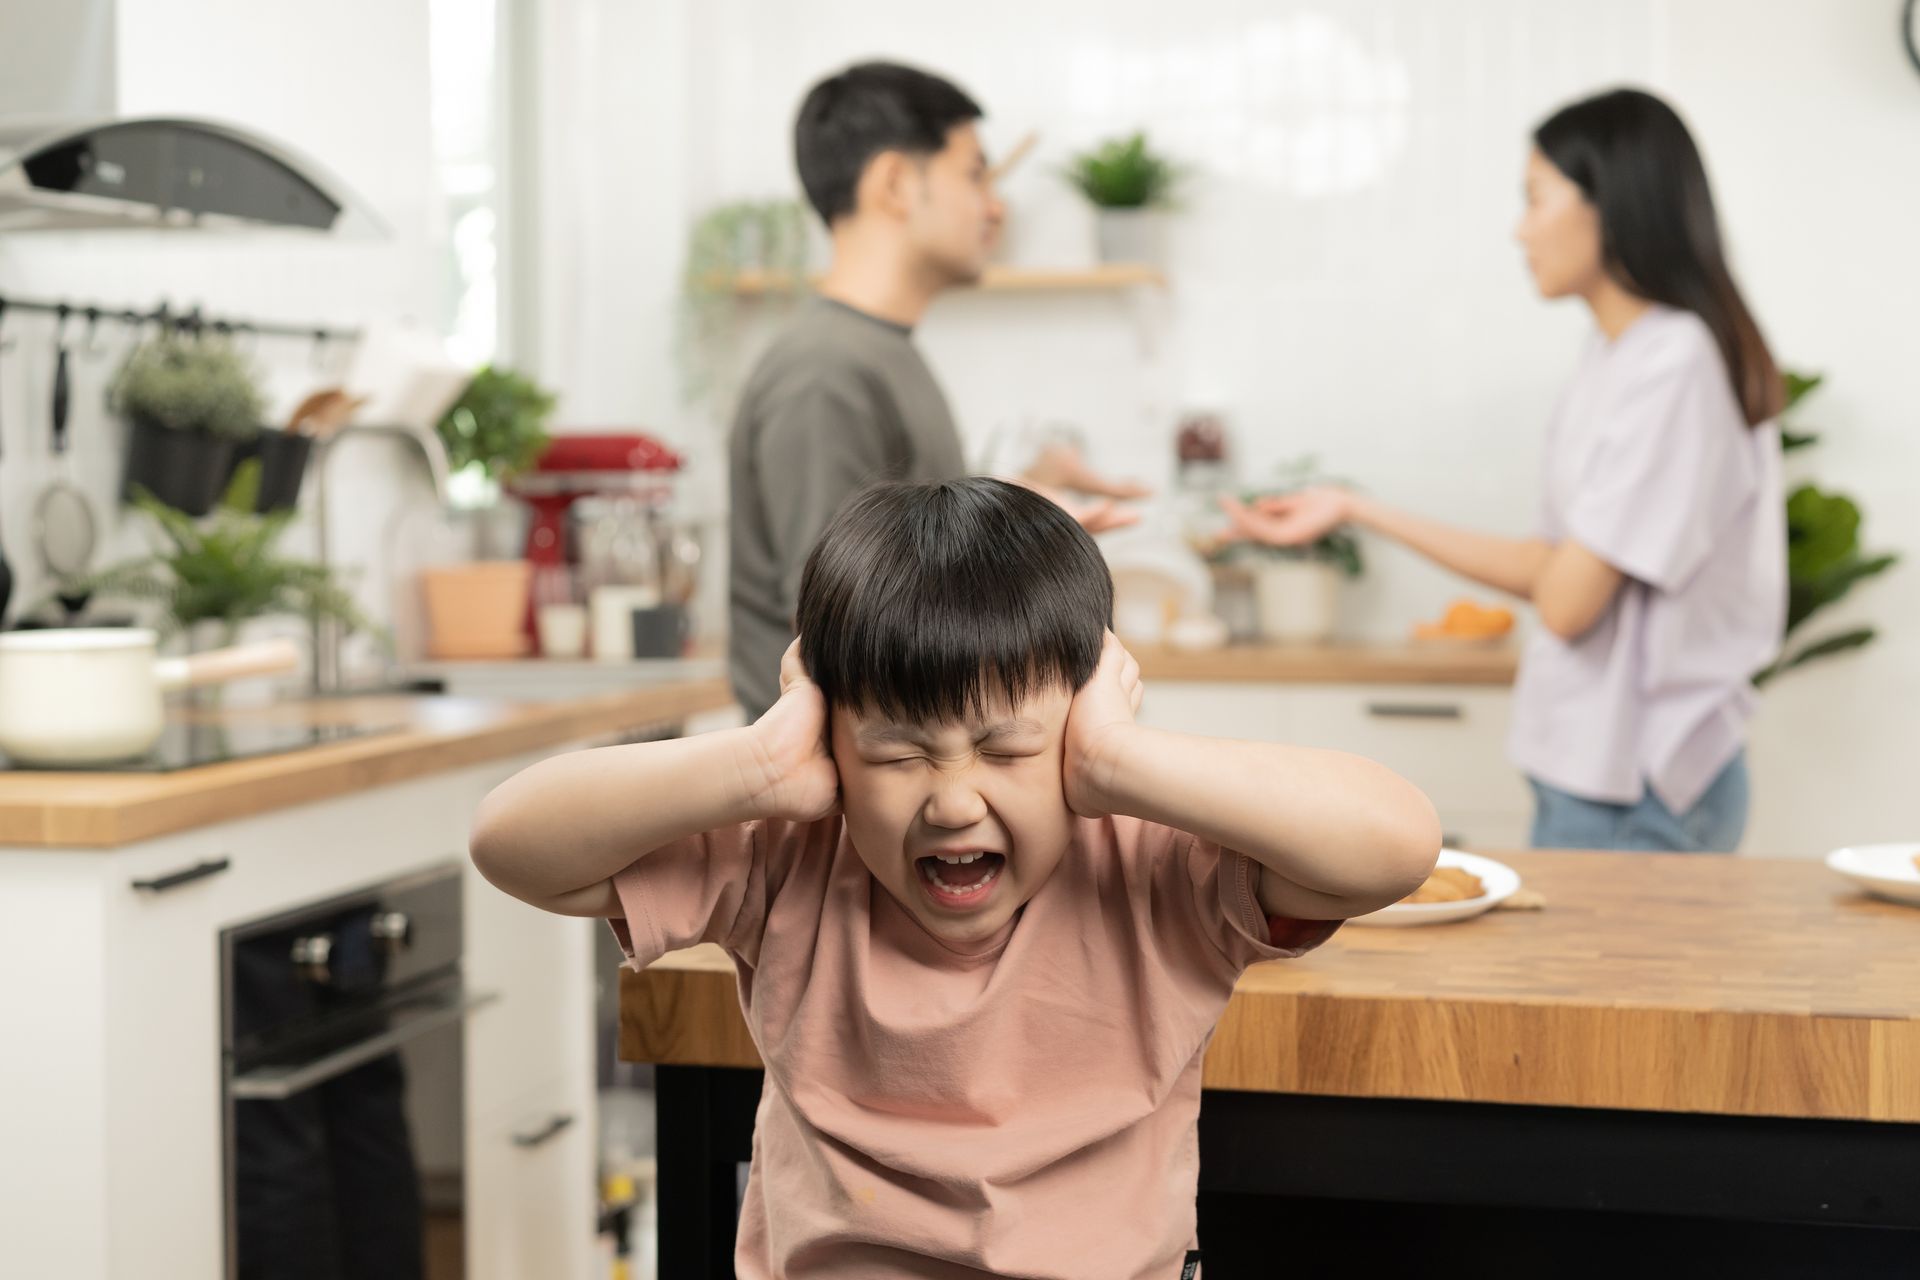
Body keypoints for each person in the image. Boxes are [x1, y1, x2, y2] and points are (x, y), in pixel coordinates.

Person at [473, 477, 1439, 1278]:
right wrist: (759, 768)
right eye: (896, 755)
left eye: (1009, 749)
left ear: (1080, 722)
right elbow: (511, 845)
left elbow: (1395, 848)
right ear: (830, 743)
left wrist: (1117, 761)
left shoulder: (1151, 865)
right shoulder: (787, 854)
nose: (952, 802)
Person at [1222, 87, 1785, 853]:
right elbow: (1546, 565)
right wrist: (1354, 509)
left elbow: (1565, 602)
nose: (1520, 231)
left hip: (1641, 781)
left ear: (1610, 203)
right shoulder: (1613, 357)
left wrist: (1368, 513)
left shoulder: (1675, 362)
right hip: (1592, 767)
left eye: (1535, 199)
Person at [729, 61, 1137, 721]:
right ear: (895, 182)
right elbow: (842, 620)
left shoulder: (877, 352)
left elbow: (908, 556)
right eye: (975, 174)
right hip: (848, 802)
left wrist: (1019, 511)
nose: (995, 205)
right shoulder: (826, 370)